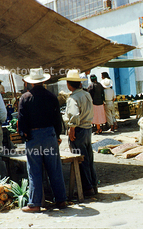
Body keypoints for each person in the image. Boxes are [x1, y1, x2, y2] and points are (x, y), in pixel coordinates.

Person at [18, 68, 67, 212]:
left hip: (33, 137)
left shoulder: (25, 98)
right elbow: (57, 119)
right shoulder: (52, 97)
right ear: (44, 81)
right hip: (49, 135)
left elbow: (21, 120)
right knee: (55, 168)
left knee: (34, 170)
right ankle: (61, 200)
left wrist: (24, 135)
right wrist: (57, 136)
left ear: (31, 83)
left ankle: (35, 204)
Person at [60, 69, 98, 197]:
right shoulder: (86, 94)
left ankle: (87, 188)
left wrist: (72, 128)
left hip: (79, 129)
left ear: (69, 85)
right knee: (88, 158)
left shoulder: (73, 98)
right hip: (87, 129)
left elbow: (75, 116)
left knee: (79, 160)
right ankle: (93, 185)